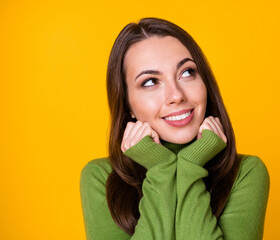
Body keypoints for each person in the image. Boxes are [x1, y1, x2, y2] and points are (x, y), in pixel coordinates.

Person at [80, 17, 270, 240]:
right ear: (127, 104)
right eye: (150, 81)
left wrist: (190, 164)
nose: (177, 95)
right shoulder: (102, 178)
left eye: (187, 73)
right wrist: (161, 168)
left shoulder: (245, 172)